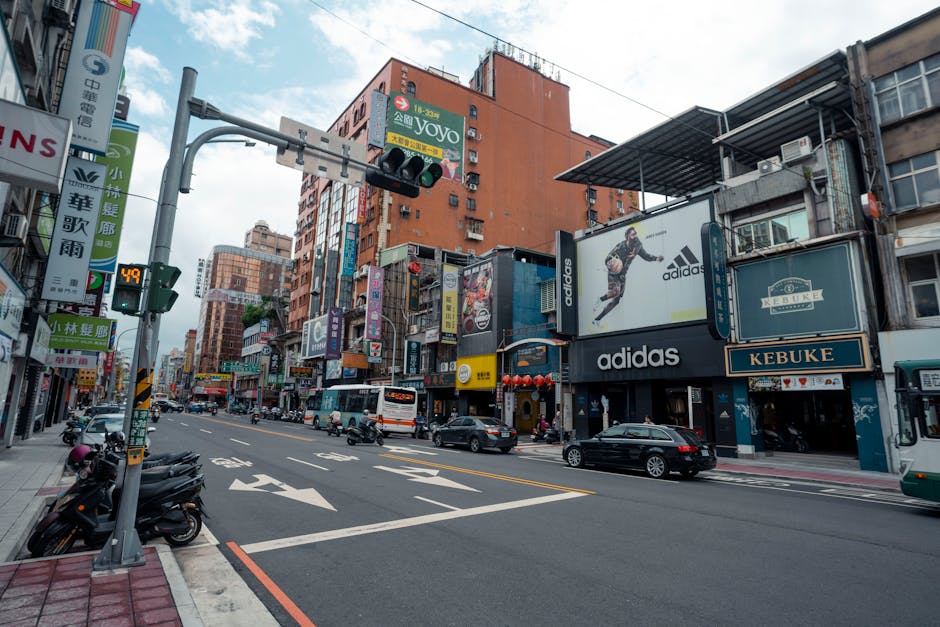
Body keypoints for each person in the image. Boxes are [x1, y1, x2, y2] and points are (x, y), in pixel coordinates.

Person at [593, 227, 664, 327]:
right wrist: (614, 264)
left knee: (616, 301)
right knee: (615, 292)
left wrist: (656, 258)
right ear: (627, 237)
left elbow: (646, 256)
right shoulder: (620, 246)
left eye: (636, 233)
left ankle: (597, 320)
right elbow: (607, 259)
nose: (635, 236)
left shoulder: (638, 245)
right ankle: (600, 299)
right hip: (614, 273)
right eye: (633, 234)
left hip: (622, 275)